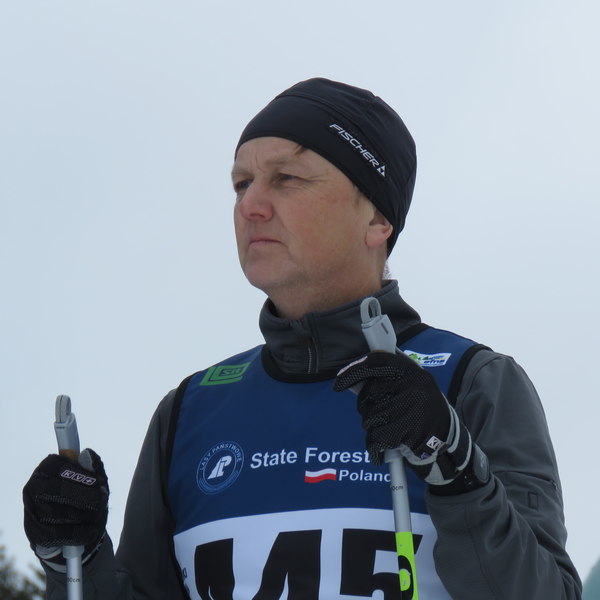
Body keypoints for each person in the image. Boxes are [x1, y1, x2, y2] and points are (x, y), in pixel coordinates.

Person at [23, 77, 582, 599]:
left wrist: (454, 467)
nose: (250, 205)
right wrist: (77, 559)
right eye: (242, 183)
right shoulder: (191, 410)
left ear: (377, 220)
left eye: (286, 179)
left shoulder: (472, 381)